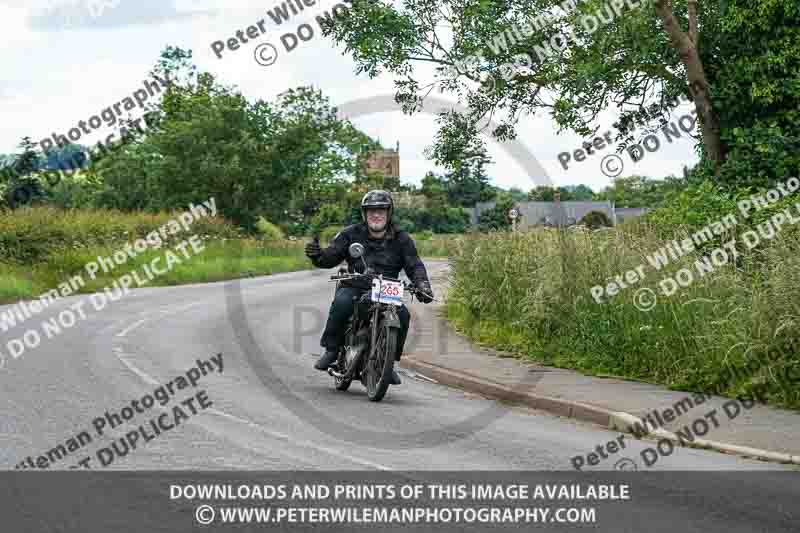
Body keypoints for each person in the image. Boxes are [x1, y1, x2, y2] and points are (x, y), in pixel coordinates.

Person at [304, 190, 434, 385]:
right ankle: (331, 350)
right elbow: (331, 256)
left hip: (386, 289)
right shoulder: (350, 233)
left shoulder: (402, 238)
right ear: (364, 214)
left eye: (381, 210)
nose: (376, 214)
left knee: (403, 315)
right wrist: (317, 255)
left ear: (389, 213)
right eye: (371, 210)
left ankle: (387, 363)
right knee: (342, 302)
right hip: (356, 284)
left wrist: (423, 285)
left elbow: (414, 264)